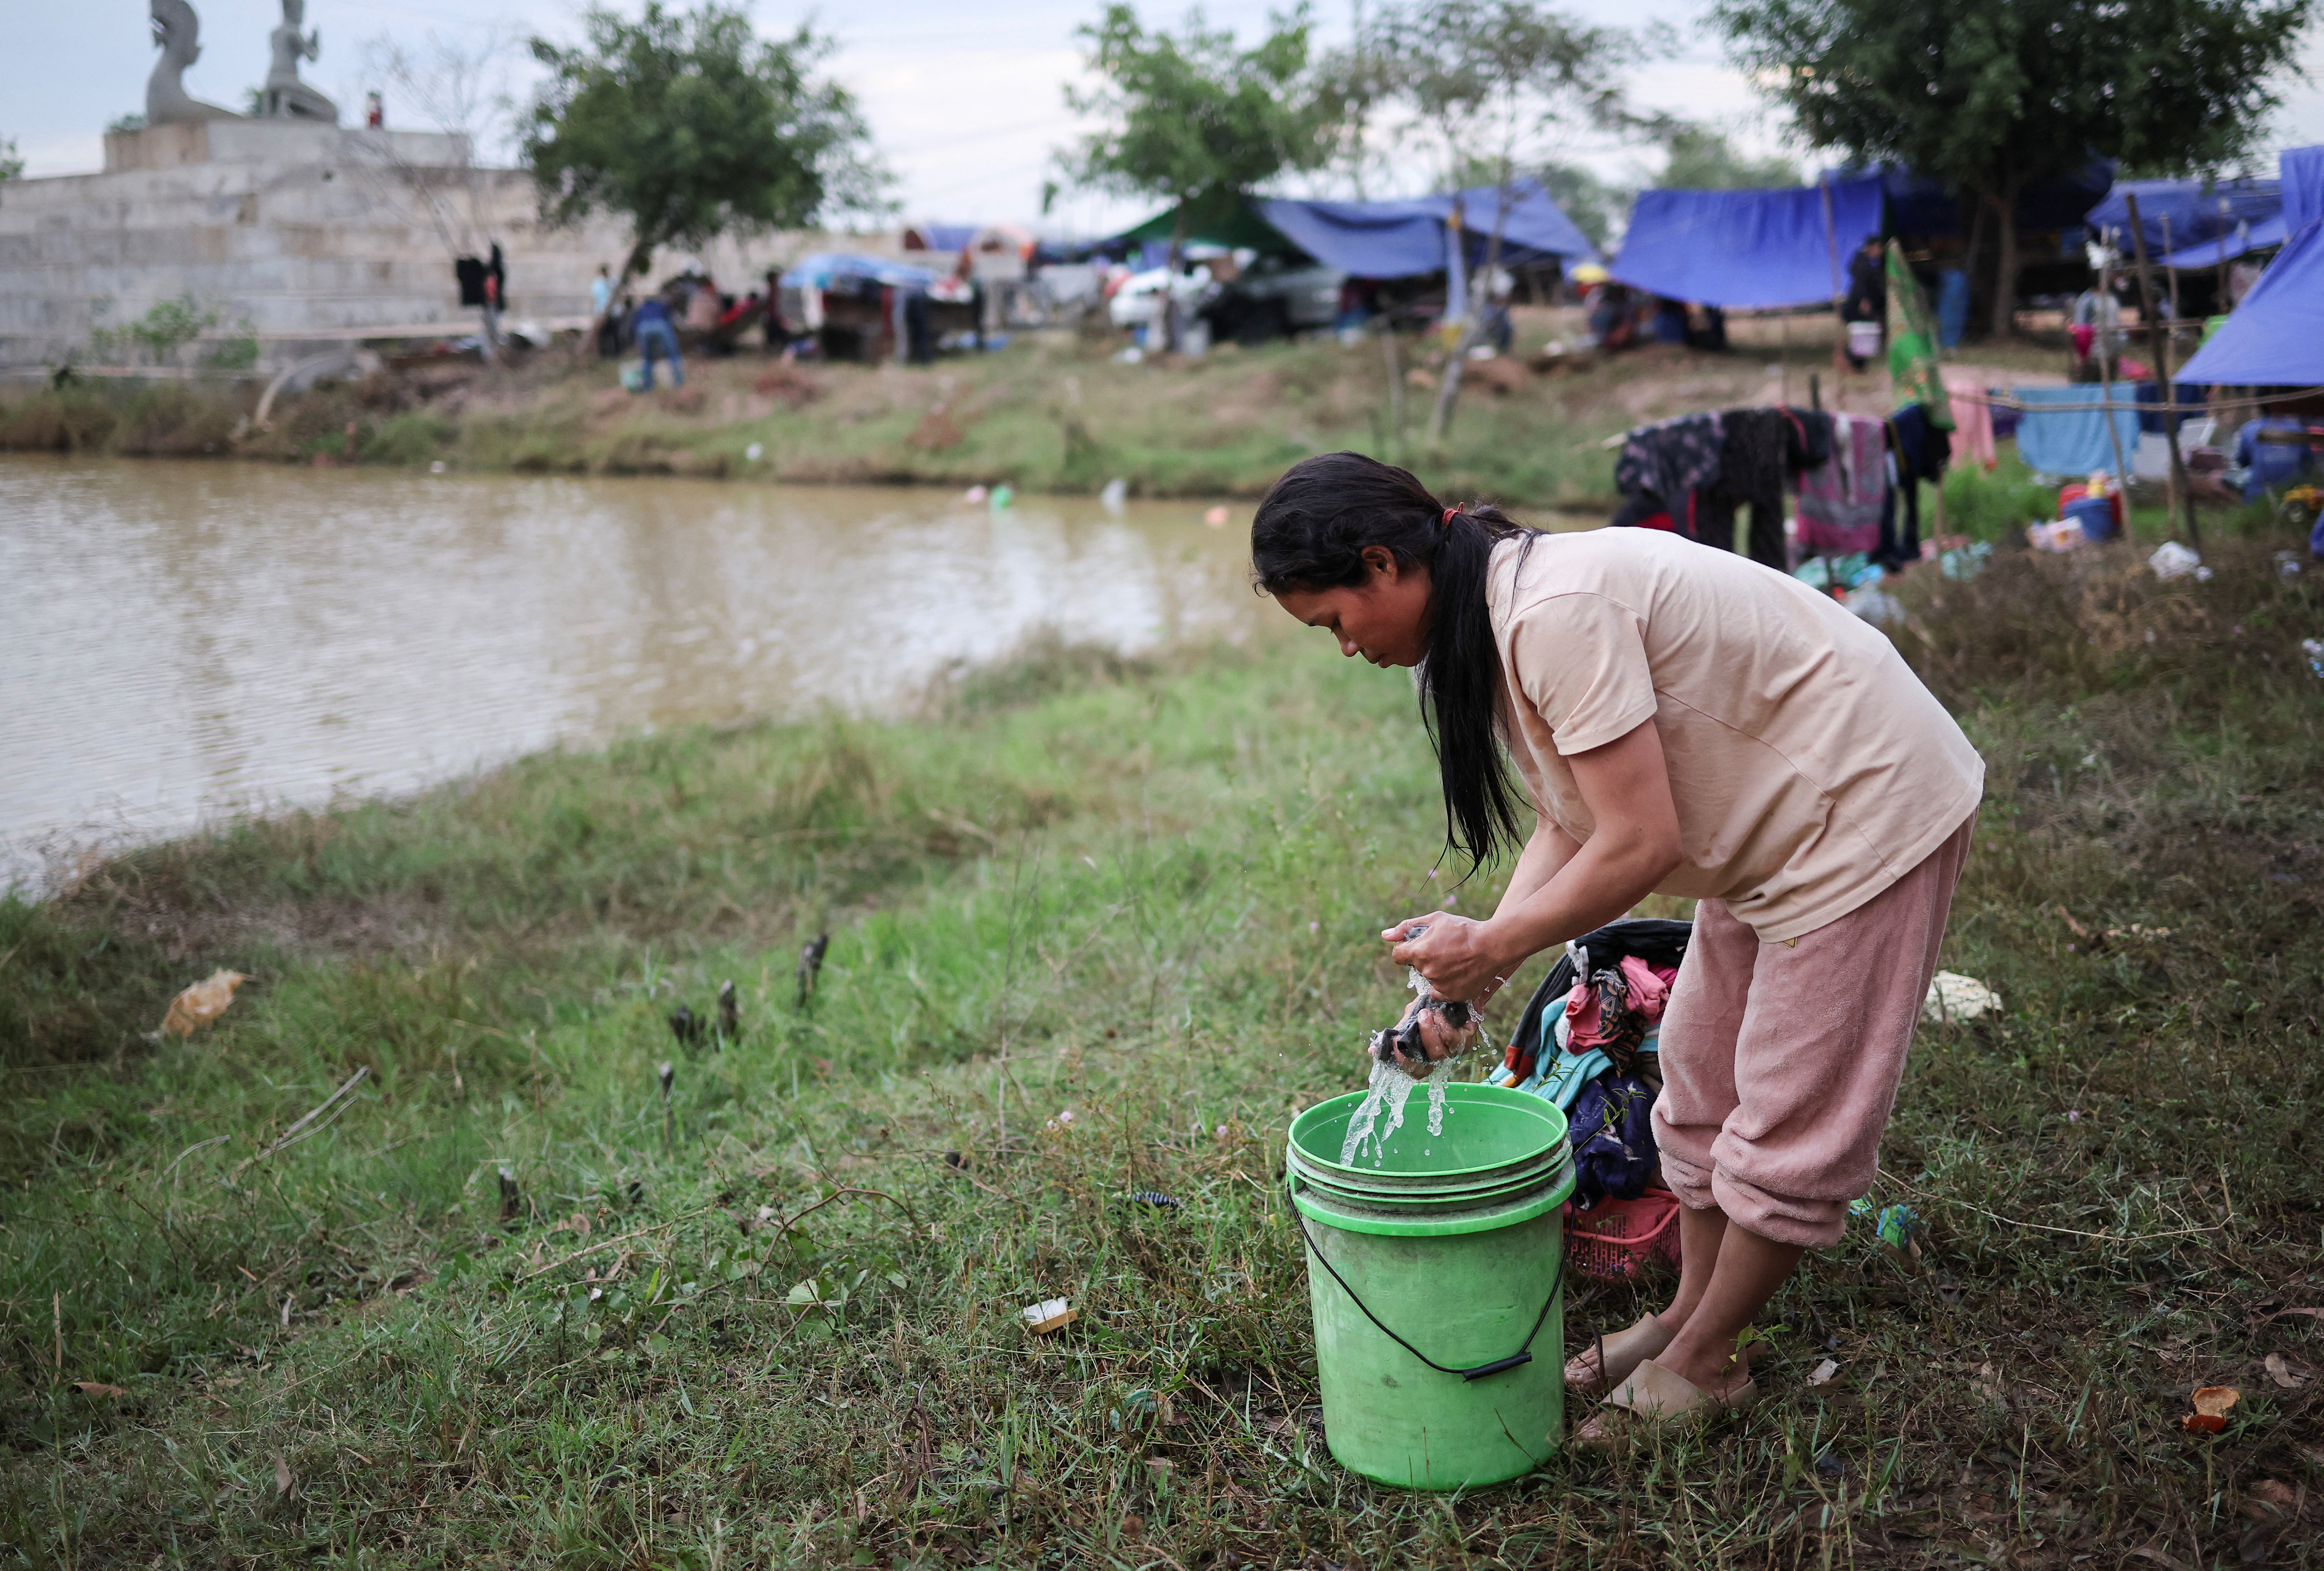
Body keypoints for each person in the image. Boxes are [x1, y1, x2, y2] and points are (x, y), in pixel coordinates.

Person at [1251, 452, 1983, 1448]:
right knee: (1698, 1081)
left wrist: (1496, 941)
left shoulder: (1551, 613)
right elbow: (1573, 821)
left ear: (1380, 564)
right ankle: (1683, 1316)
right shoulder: (1498, 621)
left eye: (1332, 621)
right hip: (1765, 828)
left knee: (1788, 1109)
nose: (1341, 648)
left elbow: (1641, 846)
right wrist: (1463, 985)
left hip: (1857, 807)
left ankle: (1706, 1361)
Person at [631, 292, 682, 390]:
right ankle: (679, 383)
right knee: (673, 355)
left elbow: (635, 325)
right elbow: (671, 319)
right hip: (661, 326)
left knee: (647, 359)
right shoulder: (661, 305)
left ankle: (648, 386)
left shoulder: (640, 309)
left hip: (643, 329)